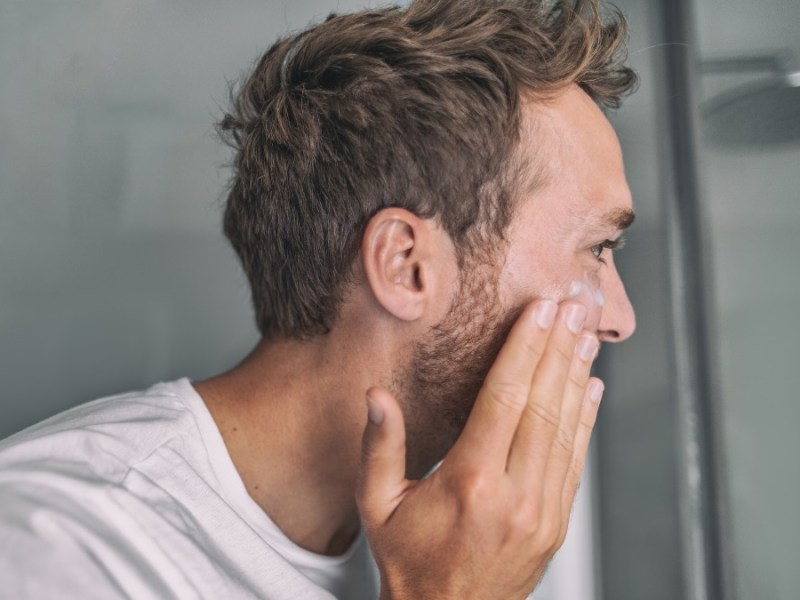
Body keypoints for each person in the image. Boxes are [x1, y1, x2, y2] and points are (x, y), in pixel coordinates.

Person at [0, 0, 638, 598]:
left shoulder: (473, 533)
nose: (621, 320)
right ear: (406, 266)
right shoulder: (60, 549)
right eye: (597, 249)